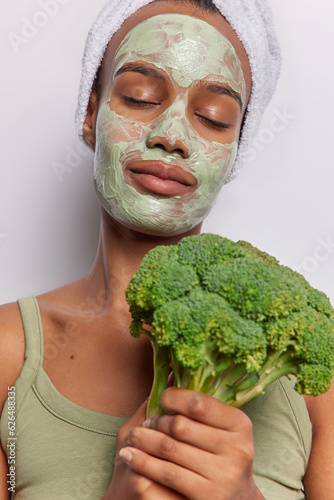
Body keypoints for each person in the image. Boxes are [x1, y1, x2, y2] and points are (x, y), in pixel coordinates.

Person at [0, 0, 333, 498]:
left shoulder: (306, 365)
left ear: (236, 149)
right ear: (90, 114)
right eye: (139, 95)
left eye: (213, 117)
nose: (172, 136)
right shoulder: (8, 352)